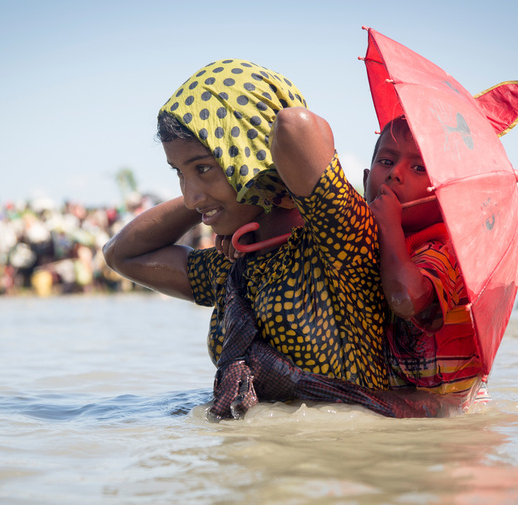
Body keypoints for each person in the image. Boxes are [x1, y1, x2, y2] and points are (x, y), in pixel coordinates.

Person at [103, 59, 403, 418]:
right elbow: (121, 254)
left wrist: (250, 182)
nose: (188, 195)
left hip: (340, 468)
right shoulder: (233, 265)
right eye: (179, 173)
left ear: (247, 155)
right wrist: (211, 195)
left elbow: (296, 127)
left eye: (203, 168)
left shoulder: (339, 243)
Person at [364, 116, 487, 410]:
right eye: (385, 161)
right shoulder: (367, 237)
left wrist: (390, 227)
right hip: (403, 397)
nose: (395, 174)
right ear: (366, 177)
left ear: (445, 194)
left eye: (419, 168)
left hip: (449, 408)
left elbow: (407, 299)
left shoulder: (444, 249)